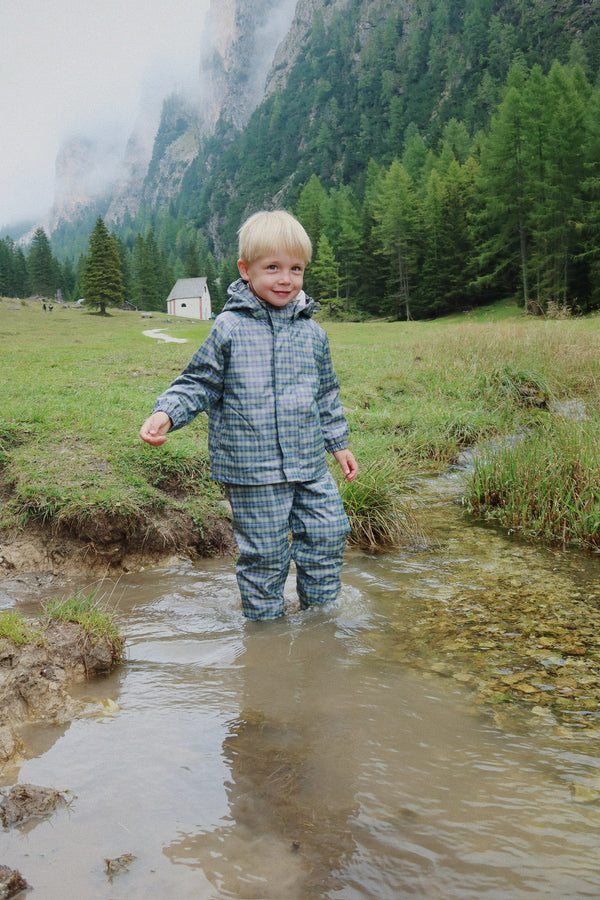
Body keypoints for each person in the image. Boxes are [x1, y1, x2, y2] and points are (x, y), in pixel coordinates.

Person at [140, 210, 358, 620]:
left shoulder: (313, 333)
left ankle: (322, 619)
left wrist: (339, 444)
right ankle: (265, 633)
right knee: (266, 555)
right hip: (251, 470)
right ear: (245, 270)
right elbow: (199, 382)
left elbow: (326, 393)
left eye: (295, 269)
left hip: (309, 463)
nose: (285, 279)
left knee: (328, 532)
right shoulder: (230, 328)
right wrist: (166, 413)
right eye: (272, 267)